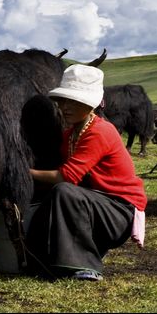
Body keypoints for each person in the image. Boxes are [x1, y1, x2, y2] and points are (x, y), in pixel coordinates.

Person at [25, 64, 147, 281]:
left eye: (74, 101)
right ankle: (46, 258)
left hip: (120, 209)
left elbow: (65, 177)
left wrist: (25, 172)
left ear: (91, 104)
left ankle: (85, 266)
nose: (65, 107)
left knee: (64, 191)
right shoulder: (72, 134)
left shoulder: (100, 131)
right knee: (56, 195)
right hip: (96, 204)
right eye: (63, 101)